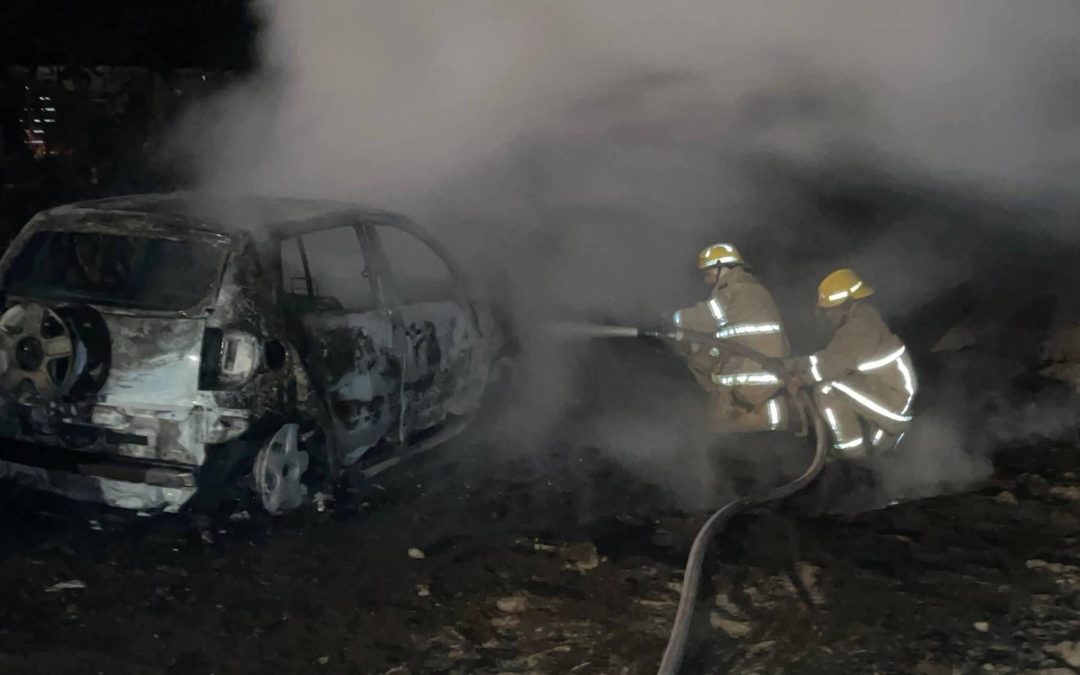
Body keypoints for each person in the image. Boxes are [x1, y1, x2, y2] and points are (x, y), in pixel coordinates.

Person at [786, 268, 917, 458]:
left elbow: (831, 366)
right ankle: (860, 455)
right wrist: (795, 364)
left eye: (830, 310)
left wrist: (800, 380)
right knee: (879, 457)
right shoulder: (861, 320)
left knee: (827, 387)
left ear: (846, 303)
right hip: (885, 394)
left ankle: (852, 454)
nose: (828, 316)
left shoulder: (860, 326)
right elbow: (829, 357)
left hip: (895, 407)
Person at [670, 242, 791, 433]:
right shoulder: (750, 290)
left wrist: (673, 318)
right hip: (759, 366)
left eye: (708, 274)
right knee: (697, 353)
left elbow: (708, 316)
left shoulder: (738, 289)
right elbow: (725, 333)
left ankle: (757, 419)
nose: (706, 280)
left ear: (721, 268)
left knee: (721, 420)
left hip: (755, 372)